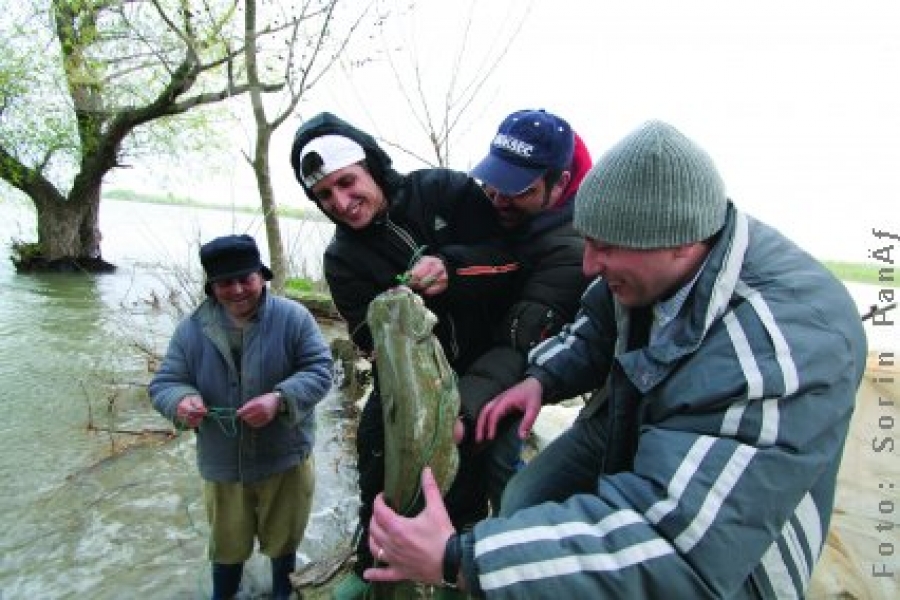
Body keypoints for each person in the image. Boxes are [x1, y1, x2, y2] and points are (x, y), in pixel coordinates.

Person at [363, 120, 868, 598]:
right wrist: (542, 377)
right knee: (524, 497)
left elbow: (676, 549)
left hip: (728, 548)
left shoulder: (777, 350)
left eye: (605, 248)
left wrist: (459, 559)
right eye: (588, 242)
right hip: (636, 418)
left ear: (678, 244)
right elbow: (598, 321)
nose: (588, 264)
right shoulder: (655, 256)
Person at [289, 112, 526, 600]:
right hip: (405, 378)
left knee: (469, 471)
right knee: (374, 448)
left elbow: (509, 259)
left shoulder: (444, 191)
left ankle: (457, 570)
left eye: (346, 182)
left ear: (369, 165)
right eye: (324, 196)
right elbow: (364, 337)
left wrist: (454, 271)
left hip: (486, 360)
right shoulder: (341, 259)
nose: (342, 202)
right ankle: (370, 560)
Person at [149, 234, 333, 600]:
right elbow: (165, 383)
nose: (236, 290)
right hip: (223, 466)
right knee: (227, 546)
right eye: (224, 282)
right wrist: (182, 401)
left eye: (244, 279)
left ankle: (284, 589)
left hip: (285, 459)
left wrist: (280, 399)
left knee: (284, 542)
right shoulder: (190, 329)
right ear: (211, 286)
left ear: (261, 276)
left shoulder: (294, 318)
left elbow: (320, 370)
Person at [456, 109, 593, 438]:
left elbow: (519, 347)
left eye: (517, 190)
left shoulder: (572, 251)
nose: (498, 199)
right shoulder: (492, 210)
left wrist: (459, 413)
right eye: (493, 181)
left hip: (504, 381)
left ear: (558, 184)